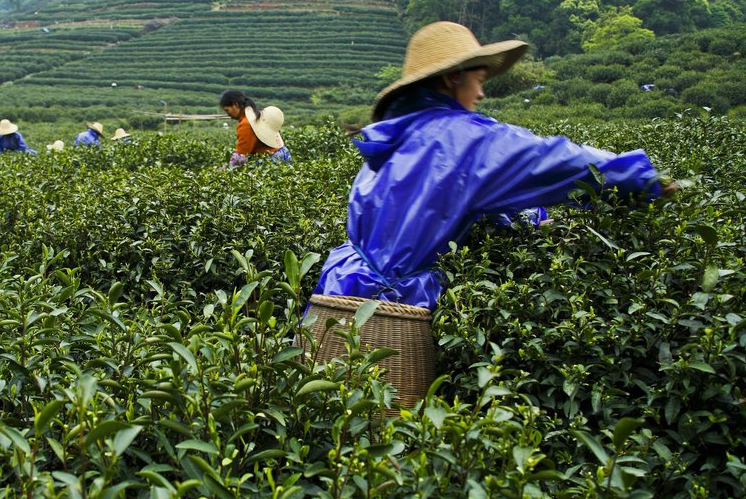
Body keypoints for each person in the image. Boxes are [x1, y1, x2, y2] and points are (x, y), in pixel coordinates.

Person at [312, 21, 678, 310]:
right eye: (480, 79)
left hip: (338, 291)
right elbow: (549, 160)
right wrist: (639, 176)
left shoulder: (393, 137)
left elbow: (435, 208)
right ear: (453, 77)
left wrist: (528, 219)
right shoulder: (464, 138)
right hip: (394, 309)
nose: (482, 93)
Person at [219, 89, 292, 167]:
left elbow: (240, 157)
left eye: (227, 110)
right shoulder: (256, 114)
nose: (228, 114)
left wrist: (224, 170)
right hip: (283, 154)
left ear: (236, 104)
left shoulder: (246, 124)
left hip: (272, 160)